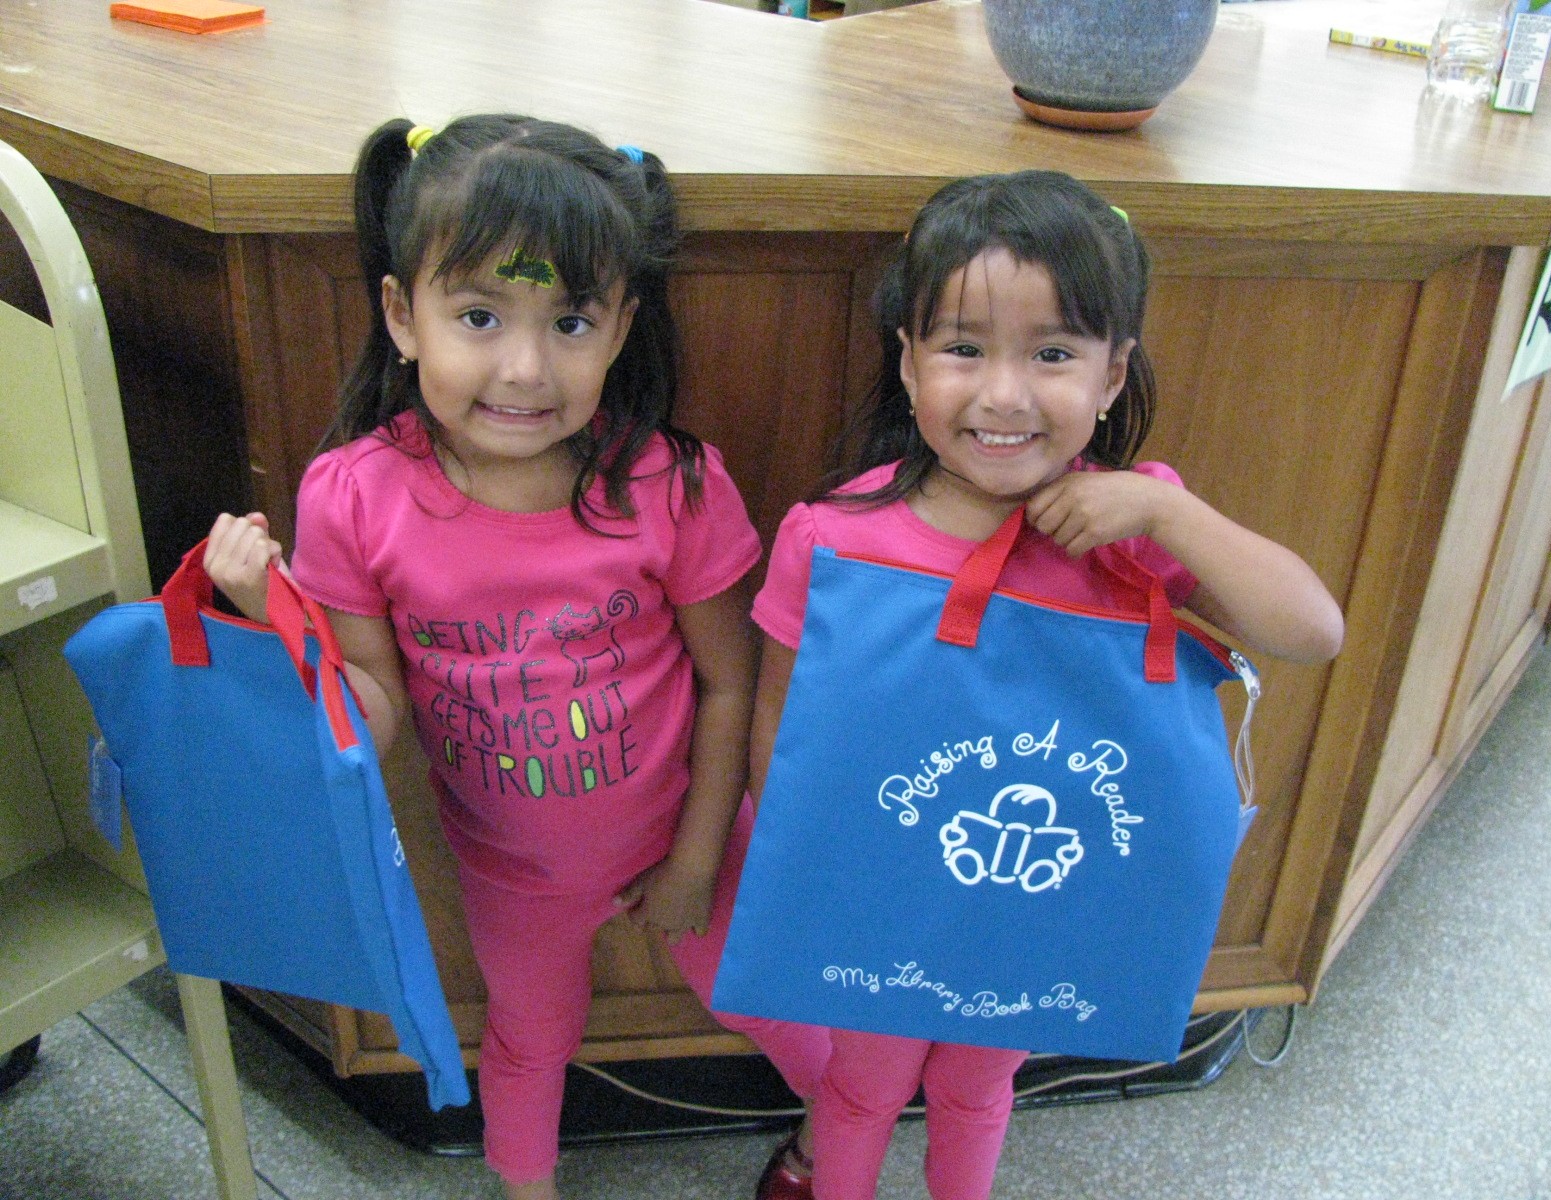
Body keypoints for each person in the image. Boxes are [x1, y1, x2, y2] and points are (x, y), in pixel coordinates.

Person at [201, 114, 831, 1200]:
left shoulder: (670, 485)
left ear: (623, 324)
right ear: (402, 315)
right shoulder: (353, 494)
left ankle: (839, 1142)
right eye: (480, 315)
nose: (526, 369)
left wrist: (689, 863)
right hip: (508, 871)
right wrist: (276, 610)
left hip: (687, 839)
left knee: (772, 1005)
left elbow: (733, 682)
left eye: (571, 321)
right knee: (530, 1039)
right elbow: (372, 714)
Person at [747, 170, 1345, 1200]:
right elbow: (780, 726)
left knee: (982, 1088)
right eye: (962, 347)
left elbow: (1312, 629)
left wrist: (1170, 522)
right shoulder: (837, 536)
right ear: (906, 361)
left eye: (1054, 353)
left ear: (1113, 378)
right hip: (883, 897)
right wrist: (812, 872)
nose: (1004, 394)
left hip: (1041, 912)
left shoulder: (1133, 520)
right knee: (860, 1086)